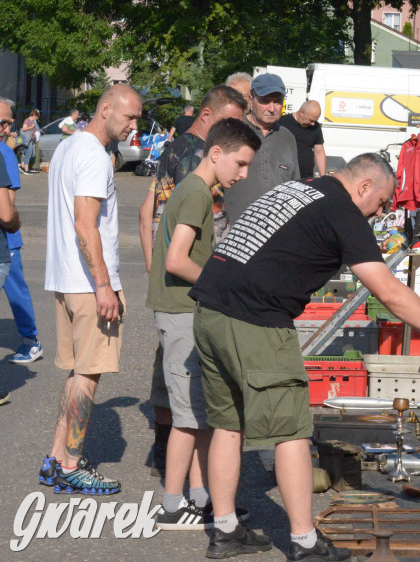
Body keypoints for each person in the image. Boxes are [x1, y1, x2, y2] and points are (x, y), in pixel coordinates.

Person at [190, 153, 420, 561]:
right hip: (256, 319)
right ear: (363, 186)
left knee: (228, 424)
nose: (380, 213)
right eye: (381, 202)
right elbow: (389, 292)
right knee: (292, 432)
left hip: (210, 309)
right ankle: (304, 543)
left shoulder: (299, 188)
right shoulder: (342, 210)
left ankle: (225, 529)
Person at [148, 119, 260, 530]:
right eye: (240, 164)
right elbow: (177, 260)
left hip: (182, 311)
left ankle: (201, 498)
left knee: (200, 413)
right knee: (187, 418)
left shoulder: (193, 189)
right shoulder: (196, 193)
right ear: (216, 153)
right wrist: (221, 285)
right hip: (181, 313)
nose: (243, 174)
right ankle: (172, 506)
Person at [138, 85, 247, 478]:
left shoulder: (177, 148)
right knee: (190, 396)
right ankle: (178, 475)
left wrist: (155, 271)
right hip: (188, 291)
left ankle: (168, 458)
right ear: (206, 116)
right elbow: (189, 238)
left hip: (176, 289)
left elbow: (146, 212)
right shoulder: (195, 162)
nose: (235, 131)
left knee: (172, 374)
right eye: (229, 122)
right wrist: (218, 283)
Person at [40, 84, 142, 495]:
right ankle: (70, 464)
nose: (134, 126)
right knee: (88, 374)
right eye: (129, 117)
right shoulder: (94, 155)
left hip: (67, 280)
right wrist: (104, 285)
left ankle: (55, 459)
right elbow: (85, 223)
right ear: (106, 109)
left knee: (77, 372)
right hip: (87, 284)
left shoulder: (68, 147)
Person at [222, 73, 299, 227]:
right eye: (265, 101)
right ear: (251, 100)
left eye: (277, 102)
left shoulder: (287, 137)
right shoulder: (232, 131)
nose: (272, 108)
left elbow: (294, 187)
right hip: (235, 231)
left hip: (276, 232)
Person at [0, 98, 41, 364]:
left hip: (6, 239)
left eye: (8, 123)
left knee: (15, 290)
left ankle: (31, 341)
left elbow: (9, 203)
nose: (6, 129)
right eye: (2, 123)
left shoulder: (4, 153)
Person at [278, 100, 326, 178]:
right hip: (284, 176)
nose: (313, 124)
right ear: (302, 112)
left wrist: (323, 177)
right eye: (311, 120)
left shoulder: (316, 127)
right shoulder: (282, 123)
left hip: (306, 177)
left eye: (315, 121)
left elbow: (319, 152)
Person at [19, 108, 40, 173]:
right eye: (36, 117)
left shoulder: (33, 122)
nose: (36, 118)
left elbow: (34, 132)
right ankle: (26, 170)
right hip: (28, 140)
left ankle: (22, 165)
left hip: (32, 140)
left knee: (33, 154)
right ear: (34, 115)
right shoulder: (27, 120)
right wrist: (31, 127)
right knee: (28, 154)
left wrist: (35, 141)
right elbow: (24, 128)